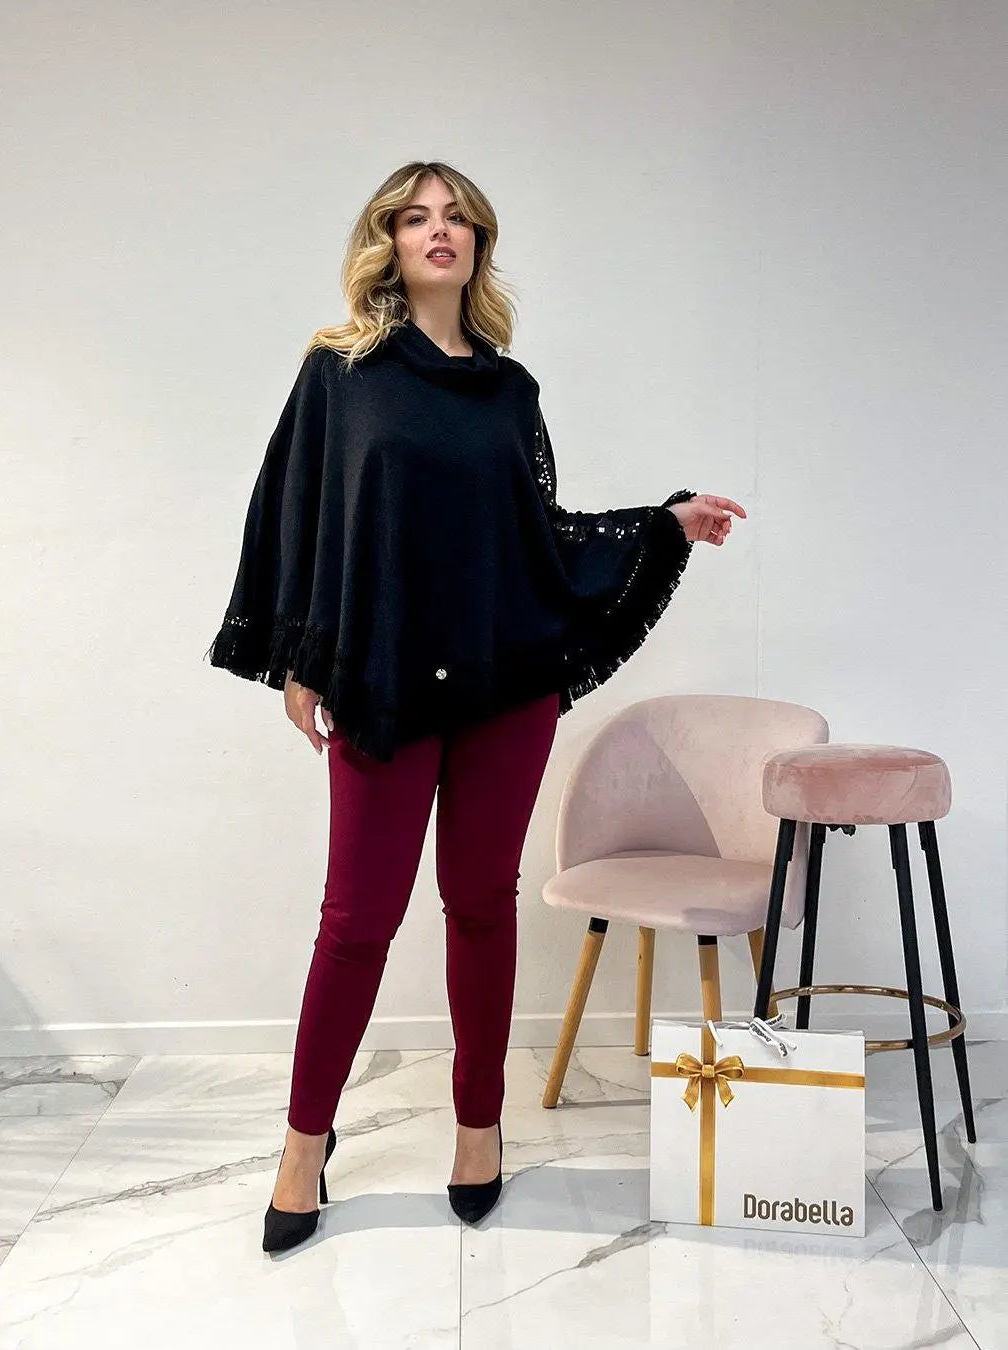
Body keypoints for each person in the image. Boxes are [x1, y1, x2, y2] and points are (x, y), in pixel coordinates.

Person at [204, 160, 745, 1253]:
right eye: (415, 217)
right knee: (356, 920)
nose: (436, 231)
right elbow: (295, 511)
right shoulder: (340, 372)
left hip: (505, 683)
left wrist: (661, 525)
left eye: (455, 217)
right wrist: (302, 656)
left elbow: (539, 536)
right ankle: (303, 1144)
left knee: (481, 903)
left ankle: (478, 1127)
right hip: (383, 676)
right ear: (389, 241)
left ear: (478, 244)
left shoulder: (510, 392)